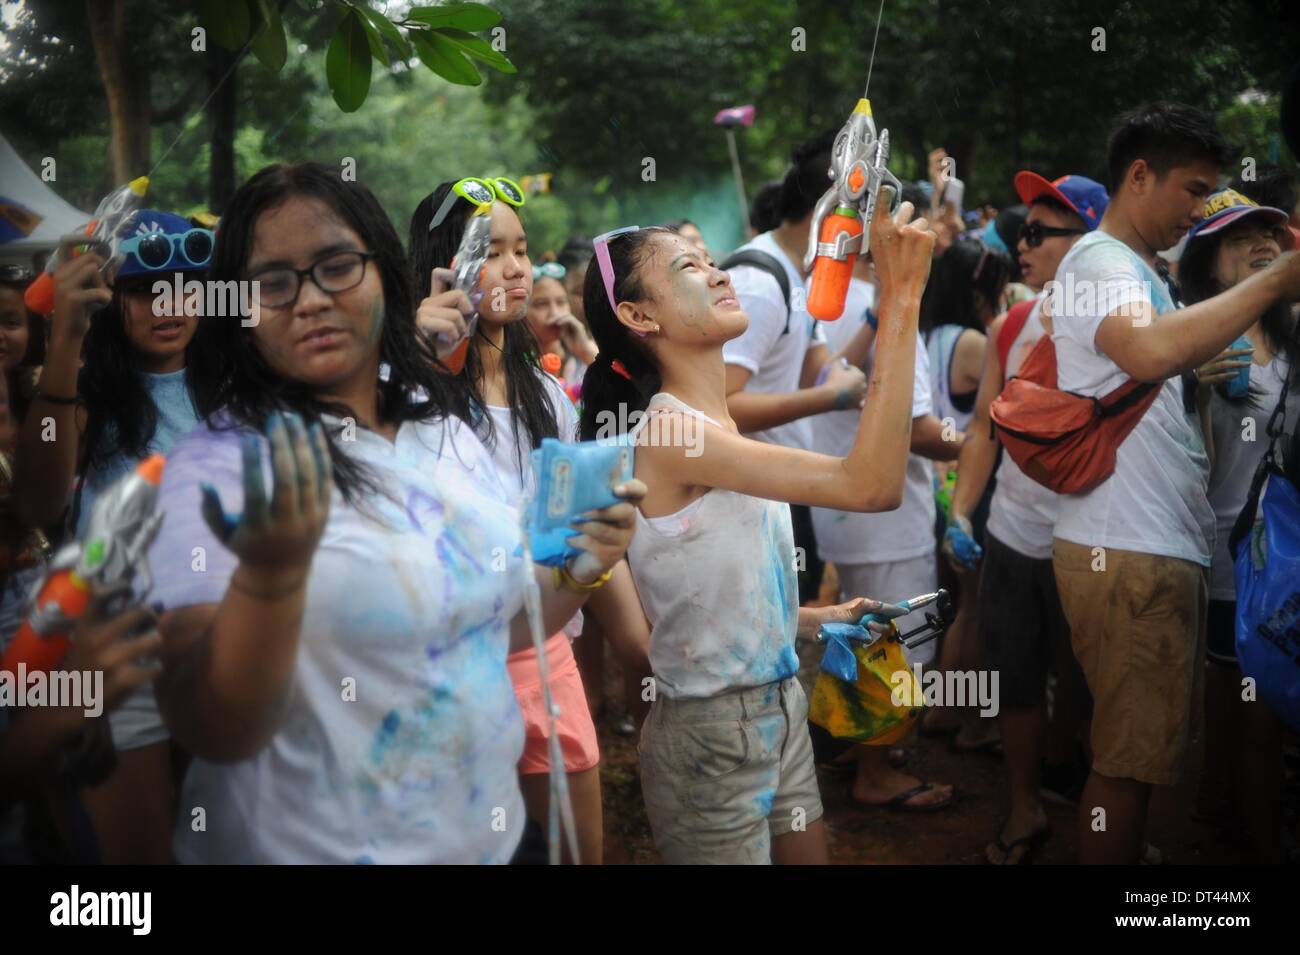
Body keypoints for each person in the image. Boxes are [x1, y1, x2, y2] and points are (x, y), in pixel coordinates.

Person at [147, 162, 643, 864]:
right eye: (273, 282)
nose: (311, 299)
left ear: (384, 274)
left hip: (493, 838)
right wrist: (270, 580)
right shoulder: (223, 466)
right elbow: (210, 725)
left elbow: (489, 624)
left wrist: (582, 569)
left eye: (337, 266)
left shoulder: (439, 423)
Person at [578, 190, 936, 863]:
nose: (718, 272)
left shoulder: (712, 423)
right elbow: (872, 484)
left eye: (711, 259)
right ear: (637, 314)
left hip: (777, 710)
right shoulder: (675, 431)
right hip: (712, 734)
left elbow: (706, 598)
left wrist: (820, 614)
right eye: (687, 266)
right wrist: (903, 298)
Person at [1048, 102, 1300, 864]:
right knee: (1125, 768)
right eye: (1193, 191)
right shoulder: (1100, 262)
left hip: (1141, 545)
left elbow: (1150, 370)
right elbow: (1146, 351)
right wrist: (1278, 279)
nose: (1200, 209)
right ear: (1137, 176)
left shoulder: (1139, 273)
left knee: (1141, 754)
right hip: (1127, 548)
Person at [408, 178, 647, 864]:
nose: (515, 268)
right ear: (443, 264)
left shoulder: (547, 394)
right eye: (491, 251)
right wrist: (413, 358)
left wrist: (641, 648)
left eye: (521, 249)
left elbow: (585, 536)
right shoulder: (402, 393)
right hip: (443, 671)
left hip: (544, 662)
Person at [12, 209, 208, 864]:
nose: (170, 303)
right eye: (147, 289)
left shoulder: (239, 384)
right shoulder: (85, 394)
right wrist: (65, 341)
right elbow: (39, 504)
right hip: (122, 663)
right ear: (112, 297)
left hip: (224, 649)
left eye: (186, 283)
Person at [945, 171, 1108, 863]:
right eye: (1023, 230)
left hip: (1093, 538)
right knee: (1014, 676)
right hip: (1013, 529)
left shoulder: (1126, 325)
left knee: (1085, 675)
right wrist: (960, 511)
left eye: (1040, 233)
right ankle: (1022, 807)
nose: (1022, 243)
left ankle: (1069, 771)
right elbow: (984, 422)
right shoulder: (1013, 323)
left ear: (1091, 243)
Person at [808, 252, 962, 811]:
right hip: (886, 516)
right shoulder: (895, 314)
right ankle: (873, 772)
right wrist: (981, 443)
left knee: (861, 633)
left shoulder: (822, 296)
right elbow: (915, 428)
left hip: (845, 506)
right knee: (896, 644)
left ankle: (856, 744)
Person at [1179, 188, 1298, 864]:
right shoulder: (1186, 332)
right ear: (1208, 262)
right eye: (1240, 237)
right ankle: (1246, 840)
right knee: (1236, 704)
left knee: (1255, 709)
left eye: (1269, 234)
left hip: (1280, 558)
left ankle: (1233, 819)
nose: (1261, 245)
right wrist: (1190, 385)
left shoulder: (1294, 332)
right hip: (1218, 558)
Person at [722, 130, 873, 604]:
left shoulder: (801, 273)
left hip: (782, 478)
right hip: (753, 489)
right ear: (828, 216)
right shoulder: (759, 283)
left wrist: (840, 374)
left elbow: (816, 367)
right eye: (865, 221)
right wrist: (832, 395)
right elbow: (723, 406)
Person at [920, 237, 1010, 749]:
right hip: (969, 488)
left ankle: (942, 710)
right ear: (981, 294)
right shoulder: (976, 344)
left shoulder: (929, 335)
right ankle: (968, 719)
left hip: (938, 484)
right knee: (976, 607)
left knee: (956, 603)